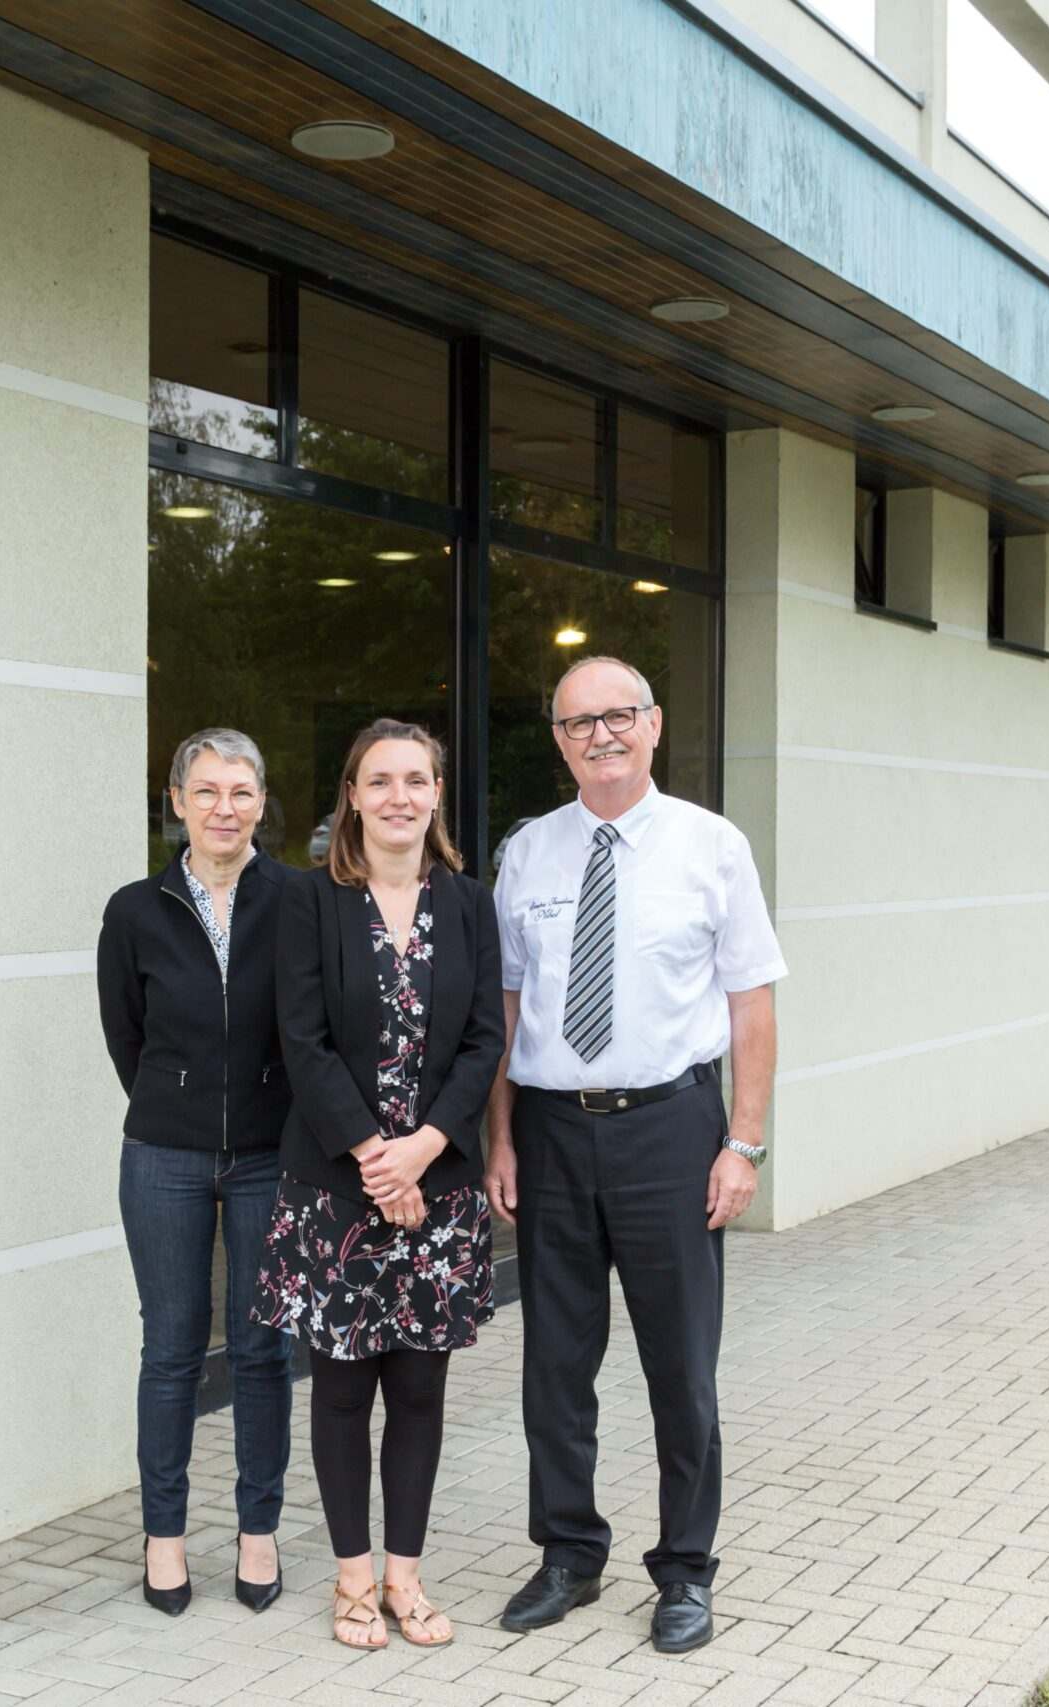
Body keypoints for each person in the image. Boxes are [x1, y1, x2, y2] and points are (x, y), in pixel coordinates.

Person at [486, 656, 784, 1656]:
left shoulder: (711, 845)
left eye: (618, 716)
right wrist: (499, 1137)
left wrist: (743, 1141)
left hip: (670, 1131)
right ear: (558, 738)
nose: (599, 735)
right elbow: (508, 1008)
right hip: (552, 1132)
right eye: (578, 722)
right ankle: (568, 1553)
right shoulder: (526, 853)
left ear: (653, 726)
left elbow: (751, 1002)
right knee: (555, 1365)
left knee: (679, 1368)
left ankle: (685, 1571)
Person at [252, 719, 504, 1653]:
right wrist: (374, 1154)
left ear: (438, 793)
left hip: (436, 1196)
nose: (399, 795)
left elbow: (485, 1040)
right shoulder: (309, 903)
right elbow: (302, 1041)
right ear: (352, 796)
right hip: (335, 1194)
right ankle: (351, 1579)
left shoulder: (471, 906)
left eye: (417, 778)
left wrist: (425, 1148)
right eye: (380, 779)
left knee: (422, 1391)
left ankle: (405, 1575)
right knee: (343, 1392)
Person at [96, 729, 295, 1617]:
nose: (225, 807)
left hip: (268, 1155)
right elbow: (125, 1035)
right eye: (207, 791)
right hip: (165, 1156)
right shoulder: (136, 910)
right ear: (175, 801)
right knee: (172, 1348)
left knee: (261, 1350)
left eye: (241, 791)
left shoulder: (298, 900)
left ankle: (259, 1532)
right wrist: (179, 1100)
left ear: (261, 801)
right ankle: (165, 1537)